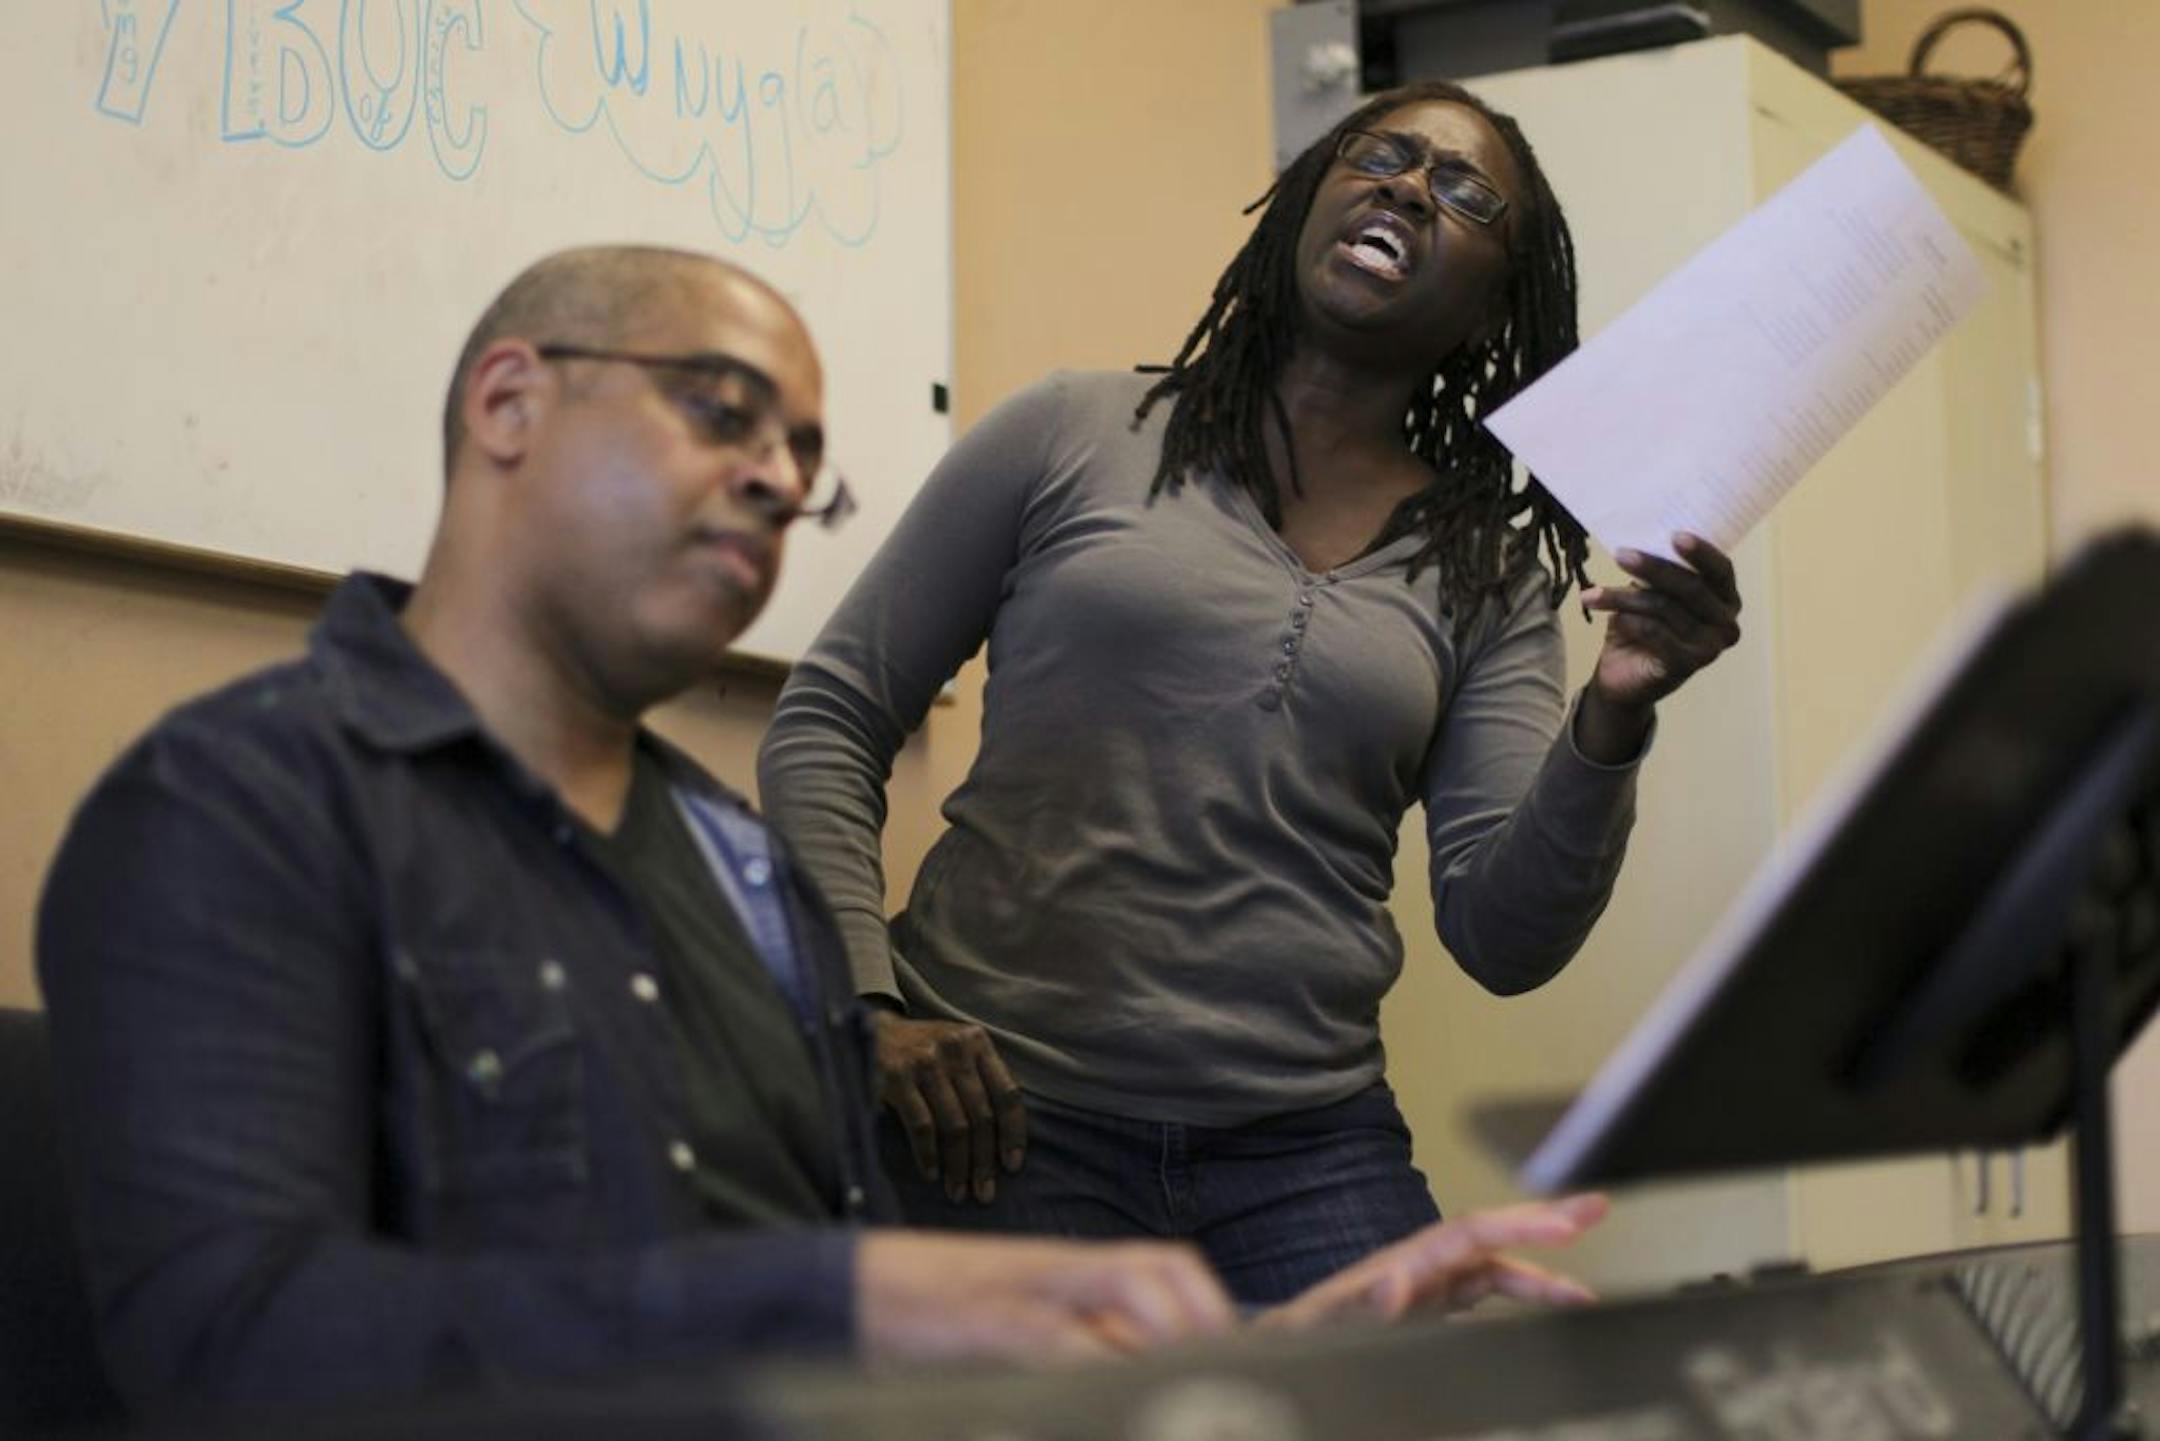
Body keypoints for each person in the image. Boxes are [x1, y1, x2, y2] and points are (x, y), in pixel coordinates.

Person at [35, 245, 1608, 1419]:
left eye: (803, 459)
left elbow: (855, 1380)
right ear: (508, 400)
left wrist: (1267, 1361)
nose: (777, 482)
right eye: (722, 413)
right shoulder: (241, 809)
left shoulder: (741, 881)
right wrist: (860, 1285)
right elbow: (227, 1343)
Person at [756, 80, 1744, 1304]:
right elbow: (830, 718)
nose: (1407, 186)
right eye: (1380, 156)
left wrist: (1619, 710)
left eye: (1463, 190)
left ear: (1496, 300)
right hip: (1002, 1116)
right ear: (1303, 200)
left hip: (1306, 1153)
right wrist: (861, 1005)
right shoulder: (1071, 432)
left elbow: (1503, 936)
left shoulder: (1487, 568)